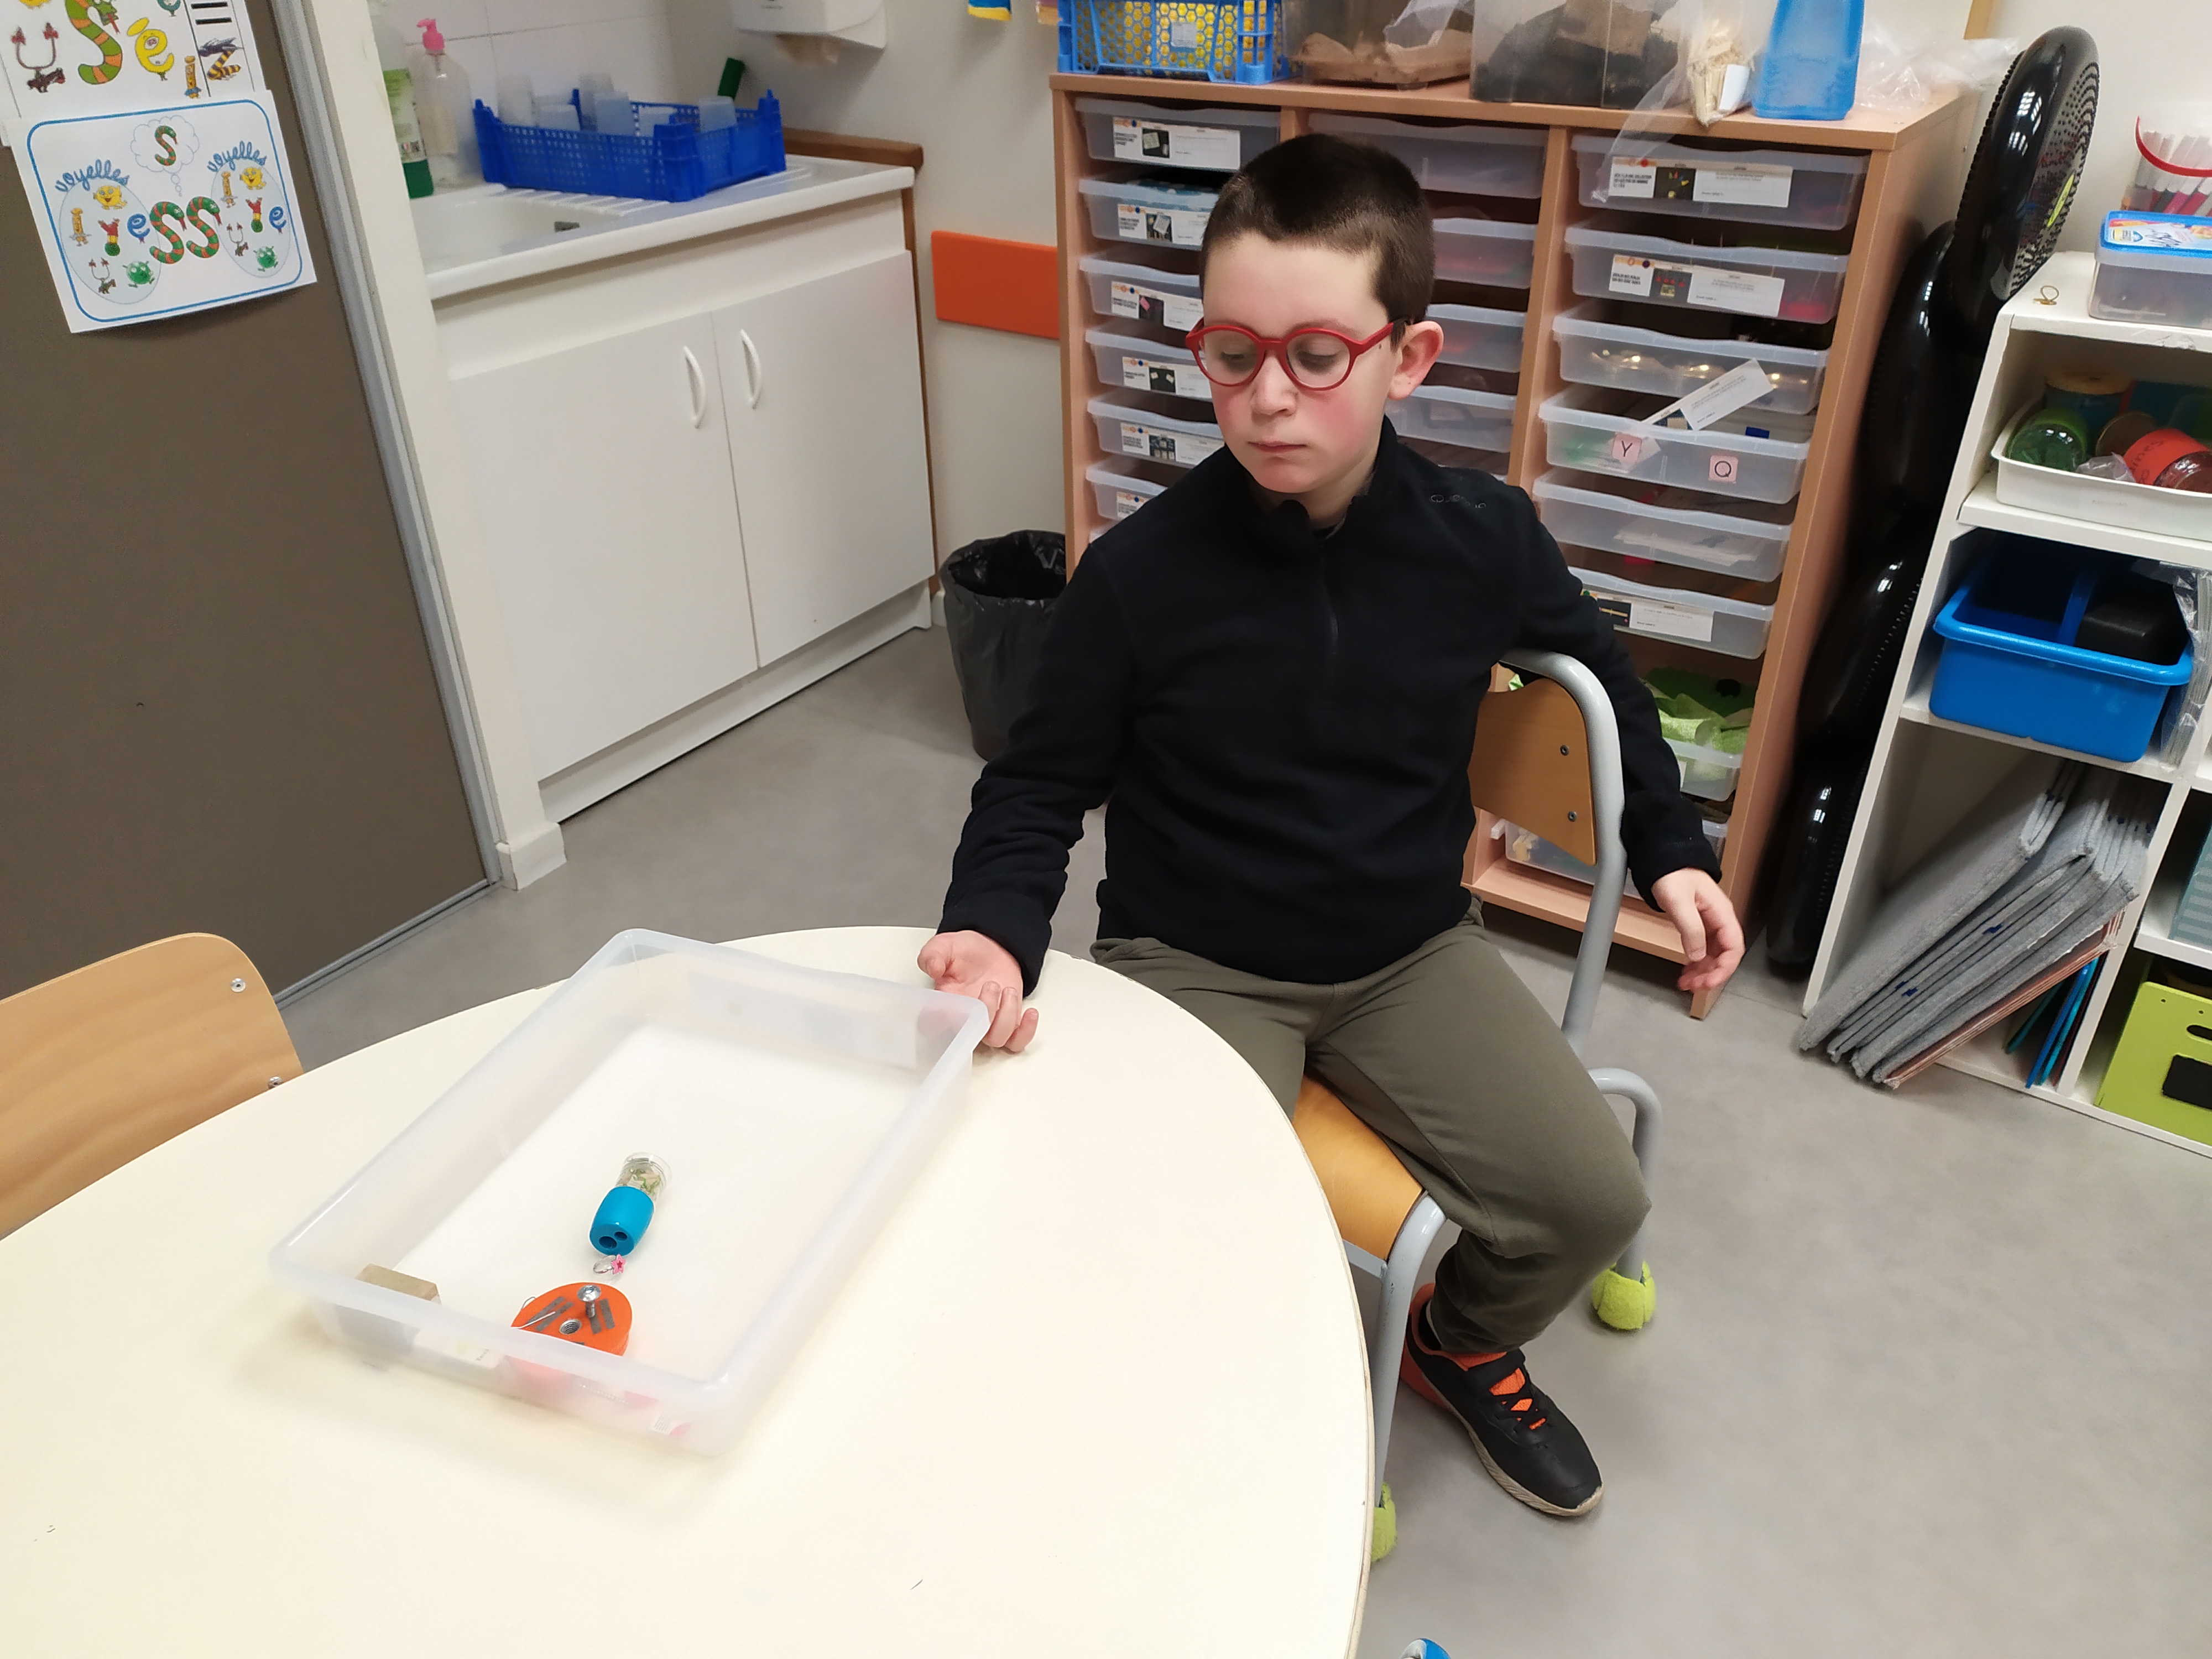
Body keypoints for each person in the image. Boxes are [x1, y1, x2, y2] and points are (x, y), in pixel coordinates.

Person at [919, 134, 1743, 1519]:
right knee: (1183, 1232)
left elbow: (1602, 678)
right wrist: (992, 930)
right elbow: (1035, 782)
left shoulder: (1483, 535)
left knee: (1589, 1202)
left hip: (1407, 952)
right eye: (1230, 354)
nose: (1266, 398)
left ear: (1405, 358)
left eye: (1315, 356)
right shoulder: (1137, 575)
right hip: (1196, 957)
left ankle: (1454, 1344)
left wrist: (1667, 845)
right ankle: (1251, 1428)